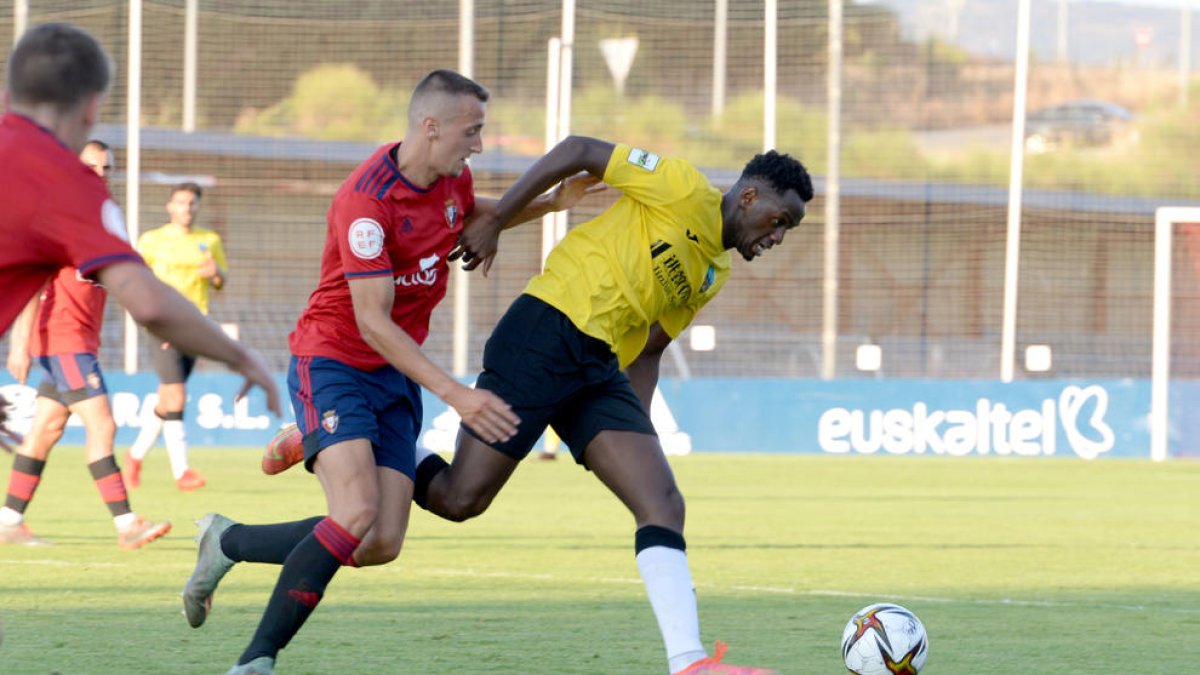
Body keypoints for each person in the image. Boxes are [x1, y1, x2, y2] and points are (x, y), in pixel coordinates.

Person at [268, 135, 813, 674]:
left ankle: (689, 664)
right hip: (544, 332)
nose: (778, 237)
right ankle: (350, 433)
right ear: (748, 197)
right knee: (461, 500)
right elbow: (579, 149)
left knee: (663, 502)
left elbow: (648, 350)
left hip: (596, 371)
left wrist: (636, 434)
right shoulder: (678, 183)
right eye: (779, 220)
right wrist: (497, 218)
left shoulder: (712, 272)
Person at [180, 69, 599, 675]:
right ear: (430, 127)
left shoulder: (454, 180)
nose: (478, 144)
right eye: (471, 131)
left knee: (379, 543)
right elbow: (373, 323)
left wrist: (550, 203)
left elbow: (470, 213)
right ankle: (254, 661)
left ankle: (228, 540)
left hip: (392, 377)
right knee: (352, 515)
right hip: (334, 361)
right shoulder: (366, 202)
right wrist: (456, 393)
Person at [0, 23, 281, 465]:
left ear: (7, 96)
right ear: (91, 108)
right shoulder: (68, 186)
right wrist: (242, 358)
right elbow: (149, 303)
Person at [0, 140, 172, 549]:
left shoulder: (103, 222)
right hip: (64, 340)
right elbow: (34, 279)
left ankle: (8, 519)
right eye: (91, 166)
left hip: (79, 342)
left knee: (47, 428)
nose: (100, 173)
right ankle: (127, 523)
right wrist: (20, 343)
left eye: (107, 167)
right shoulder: (61, 219)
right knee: (103, 426)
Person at [123, 182, 226, 491]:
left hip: (195, 325)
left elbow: (221, 281)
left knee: (167, 397)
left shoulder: (209, 240)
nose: (186, 208)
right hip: (162, 323)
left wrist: (216, 274)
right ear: (170, 206)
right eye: (181, 202)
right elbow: (136, 281)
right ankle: (182, 471)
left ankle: (134, 456)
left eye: (192, 203)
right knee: (177, 394)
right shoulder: (152, 241)